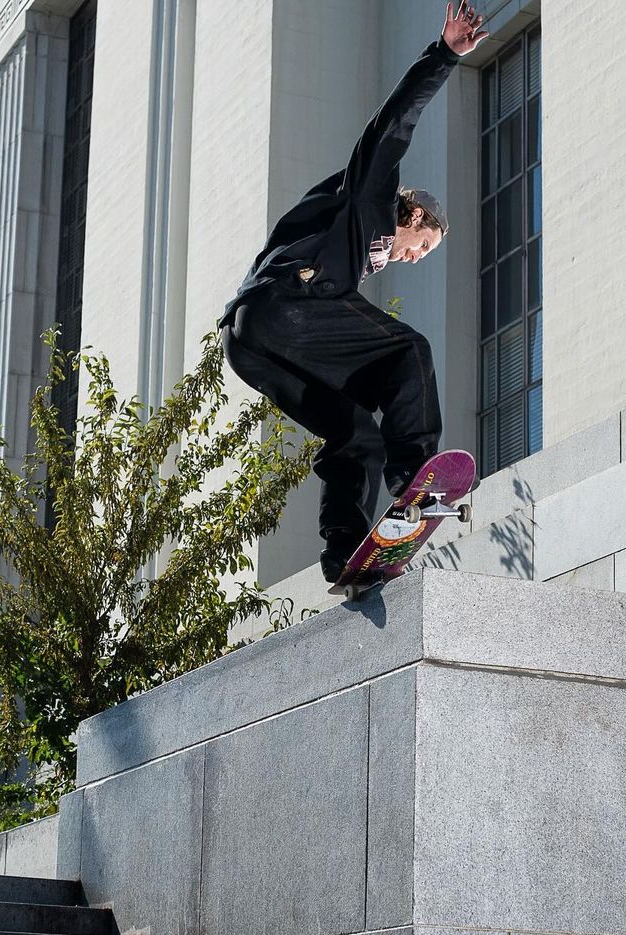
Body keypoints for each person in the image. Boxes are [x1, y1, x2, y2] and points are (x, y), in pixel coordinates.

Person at [220, 2, 489, 582]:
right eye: (424, 243)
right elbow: (391, 127)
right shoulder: (370, 200)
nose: (417, 257)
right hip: (286, 303)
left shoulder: (357, 255)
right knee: (408, 351)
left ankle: (344, 552)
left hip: (250, 343)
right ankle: (416, 480)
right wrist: (444, 53)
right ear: (412, 214)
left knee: (354, 433)